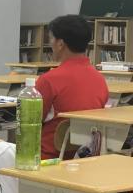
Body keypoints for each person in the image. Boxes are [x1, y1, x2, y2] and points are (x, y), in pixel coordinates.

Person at [35, 14, 108, 159]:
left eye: (51, 38)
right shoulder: (100, 80)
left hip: (48, 159)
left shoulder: (49, 80)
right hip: (84, 158)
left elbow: (30, 121)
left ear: (60, 44)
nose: (50, 44)